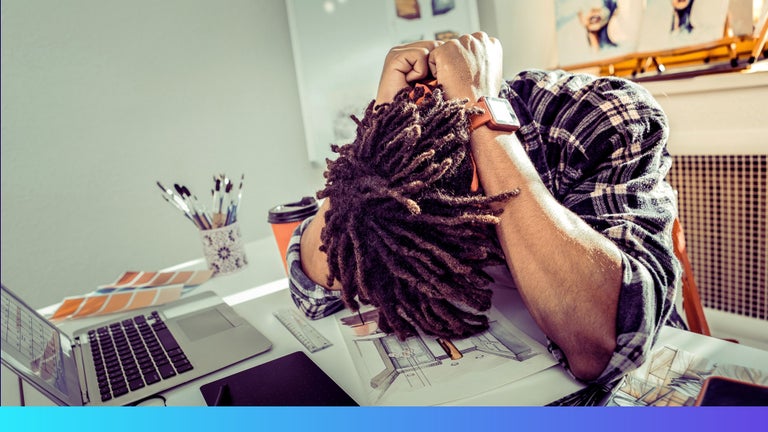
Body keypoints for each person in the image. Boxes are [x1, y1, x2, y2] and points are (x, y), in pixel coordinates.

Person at [288, 32, 683, 384]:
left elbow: (604, 343)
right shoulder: (398, 152)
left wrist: (483, 117)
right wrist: (379, 128)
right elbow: (312, 288)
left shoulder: (600, 115)